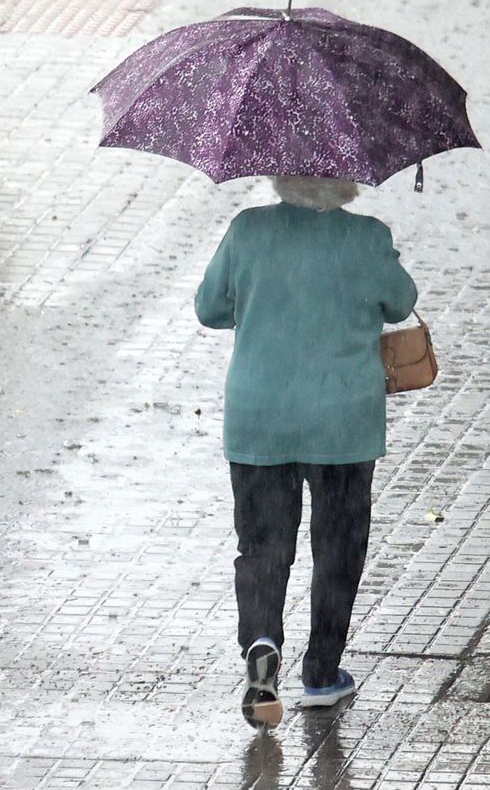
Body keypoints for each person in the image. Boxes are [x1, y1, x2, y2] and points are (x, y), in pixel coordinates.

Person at [195, 174, 418, 729]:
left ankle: (262, 642)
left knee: (263, 544)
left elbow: (209, 309)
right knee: (338, 546)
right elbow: (402, 303)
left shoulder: (248, 229)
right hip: (342, 422)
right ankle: (321, 673)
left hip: (259, 419)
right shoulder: (366, 237)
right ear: (347, 180)